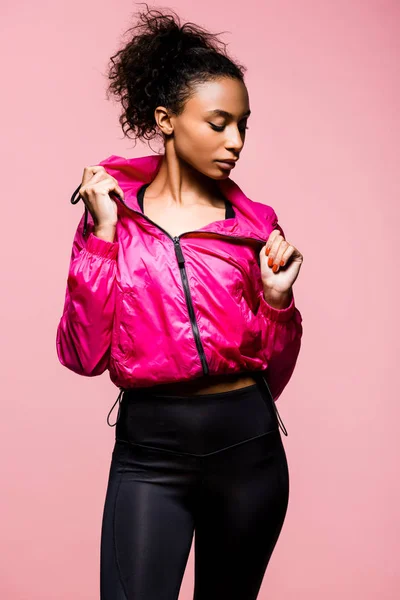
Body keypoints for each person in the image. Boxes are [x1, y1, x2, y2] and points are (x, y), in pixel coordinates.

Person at [56, 4, 304, 599]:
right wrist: (103, 235)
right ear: (166, 120)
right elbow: (83, 354)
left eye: (243, 124)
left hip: (249, 448)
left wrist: (276, 304)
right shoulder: (112, 215)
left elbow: (275, 373)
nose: (236, 141)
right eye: (218, 123)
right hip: (151, 451)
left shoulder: (254, 227)